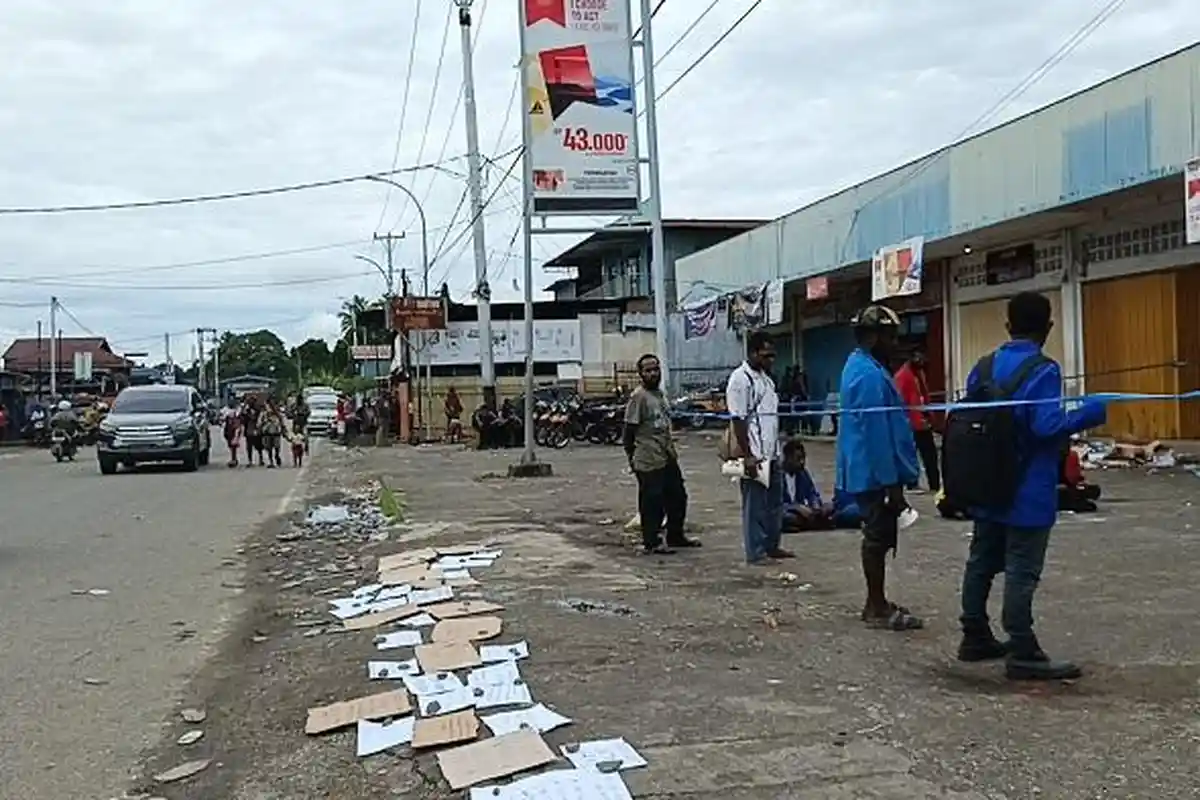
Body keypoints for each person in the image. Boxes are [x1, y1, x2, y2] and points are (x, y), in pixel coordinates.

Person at [956, 291, 1106, 680]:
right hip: (1027, 488)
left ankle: (974, 634)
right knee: (1022, 568)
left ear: (1008, 326)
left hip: (986, 481)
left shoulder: (983, 367)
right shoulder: (1044, 370)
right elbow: (1045, 426)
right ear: (1048, 327)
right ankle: (1022, 648)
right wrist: (1090, 411)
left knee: (982, 560)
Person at [835, 305, 922, 631]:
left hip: (868, 470)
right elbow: (877, 434)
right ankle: (875, 606)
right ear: (872, 337)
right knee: (877, 537)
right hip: (873, 473)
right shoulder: (869, 375)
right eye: (889, 335)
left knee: (880, 536)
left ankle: (878, 600)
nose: (895, 342)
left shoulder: (862, 366)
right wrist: (892, 484)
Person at [726, 330, 793, 565]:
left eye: (773, 356)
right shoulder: (740, 380)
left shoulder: (766, 379)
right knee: (754, 505)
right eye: (766, 355)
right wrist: (748, 456)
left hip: (771, 452)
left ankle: (772, 546)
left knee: (775, 504)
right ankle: (755, 552)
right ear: (753, 353)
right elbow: (738, 419)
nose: (770, 360)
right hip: (753, 453)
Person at [624, 353, 700, 555]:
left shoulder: (659, 394)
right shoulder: (638, 397)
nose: (653, 373)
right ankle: (652, 541)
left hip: (666, 454)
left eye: (656, 369)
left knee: (678, 496)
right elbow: (628, 432)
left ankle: (675, 535)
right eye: (648, 370)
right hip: (648, 457)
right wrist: (632, 459)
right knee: (652, 501)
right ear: (641, 374)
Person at [780, 438, 862, 531]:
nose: (802, 462)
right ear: (787, 458)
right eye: (798, 459)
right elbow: (775, 504)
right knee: (788, 518)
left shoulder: (803, 474)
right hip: (786, 511)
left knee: (830, 513)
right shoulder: (777, 476)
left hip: (804, 513)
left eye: (803, 458)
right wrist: (796, 507)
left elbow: (812, 493)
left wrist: (816, 505)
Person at [893, 349, 940, 493]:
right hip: (911, 422)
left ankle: (935, 484)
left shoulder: (919, 374)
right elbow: (901, 401)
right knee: (910, 454)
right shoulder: (902, 376)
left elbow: (923, 396)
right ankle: (911, 482)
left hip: (922, 420)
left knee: (930, 455)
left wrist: (928, 415)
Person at [260, 397, 286, 468]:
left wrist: (283, 428)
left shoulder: (277, 412)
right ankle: (271, 461)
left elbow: (281, 420)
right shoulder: (265, 412)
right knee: (269, 448)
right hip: (267, 431)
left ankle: (277, 456)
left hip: (276, 431)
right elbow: (260, 421)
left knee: (277, 447)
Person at [240, 394, 265, 466]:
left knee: (259, 445)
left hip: (256, 428)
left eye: (252, 400)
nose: (250, 402)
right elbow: (242, 418)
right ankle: (250, 461)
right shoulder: (246, 409)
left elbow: (259, 418)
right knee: (249, 446)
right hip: (249, 429)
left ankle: (261, 459)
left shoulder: (258, 409)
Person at [221, 397, 243, 467]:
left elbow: (239, 418)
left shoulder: (238, 409)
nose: (231, 402)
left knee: (233, 444)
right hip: (227, 429)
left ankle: (233, 459)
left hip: (235, 428)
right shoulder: (225, 409)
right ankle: (233, 458)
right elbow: (221, 418)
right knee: (230, 444)